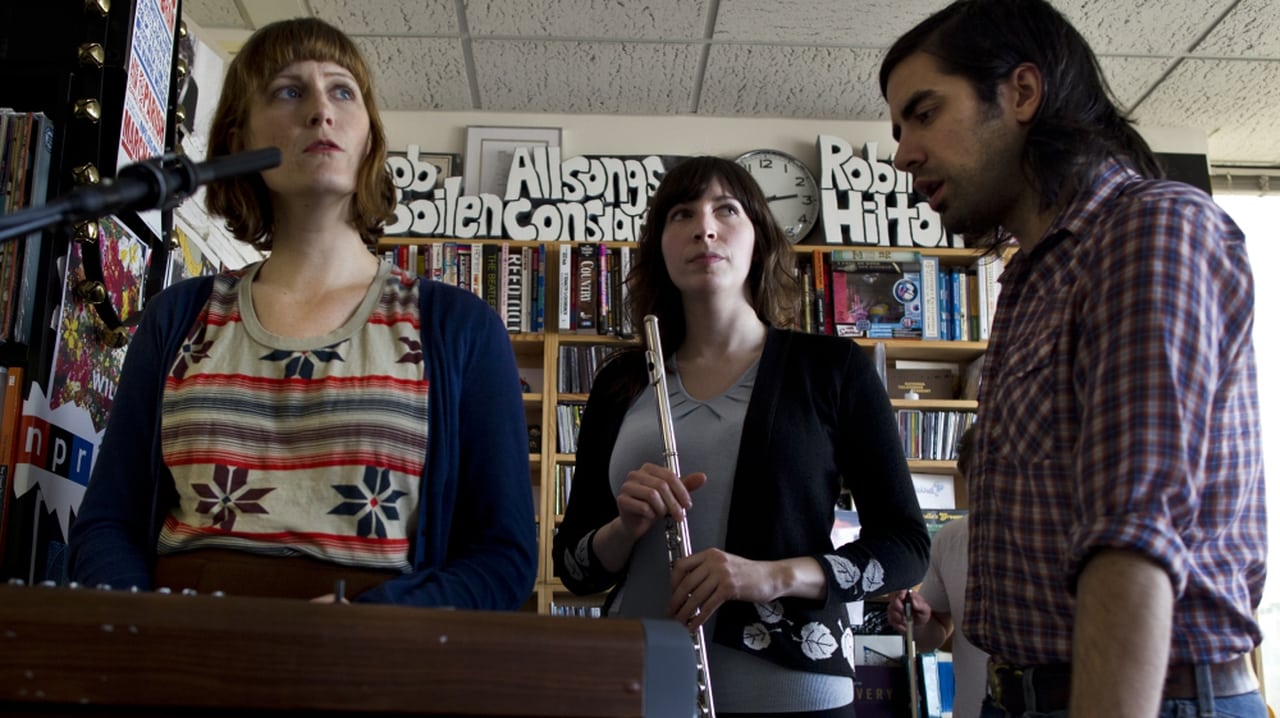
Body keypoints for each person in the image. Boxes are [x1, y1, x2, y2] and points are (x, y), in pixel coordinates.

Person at [66, 17, 537, 609]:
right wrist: (145, 633)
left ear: (368, 136)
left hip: (374, 673)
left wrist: (370, 625)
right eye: (289, 91)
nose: (321, 111)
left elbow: (504, 557)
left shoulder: (458, 328)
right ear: (239, 140)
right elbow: (107, 523)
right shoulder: (176, 318)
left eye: (343, 90)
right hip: (180, 663)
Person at [879, 1, 1267, 717]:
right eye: (900, 128)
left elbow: (1134, 539)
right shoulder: (1031, 278)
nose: (903, 152)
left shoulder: (1148, 227)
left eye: (924, 114)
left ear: (1022, 93)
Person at [552, 155, 930, 717]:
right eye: (682, 213)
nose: (704, 226)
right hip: (641, 687)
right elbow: (574, 568)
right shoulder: (621, 382)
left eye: (726, 209)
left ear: (760, 238)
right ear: (660, 245)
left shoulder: (832, 369)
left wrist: (770, 576)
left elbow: (906, 548)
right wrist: (623, 529)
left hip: (793, 694)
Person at [887, 425, 986, 718]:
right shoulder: (951, 538)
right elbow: (934, 635)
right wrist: (917, 622)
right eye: (979, 481)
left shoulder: (1063, 537)